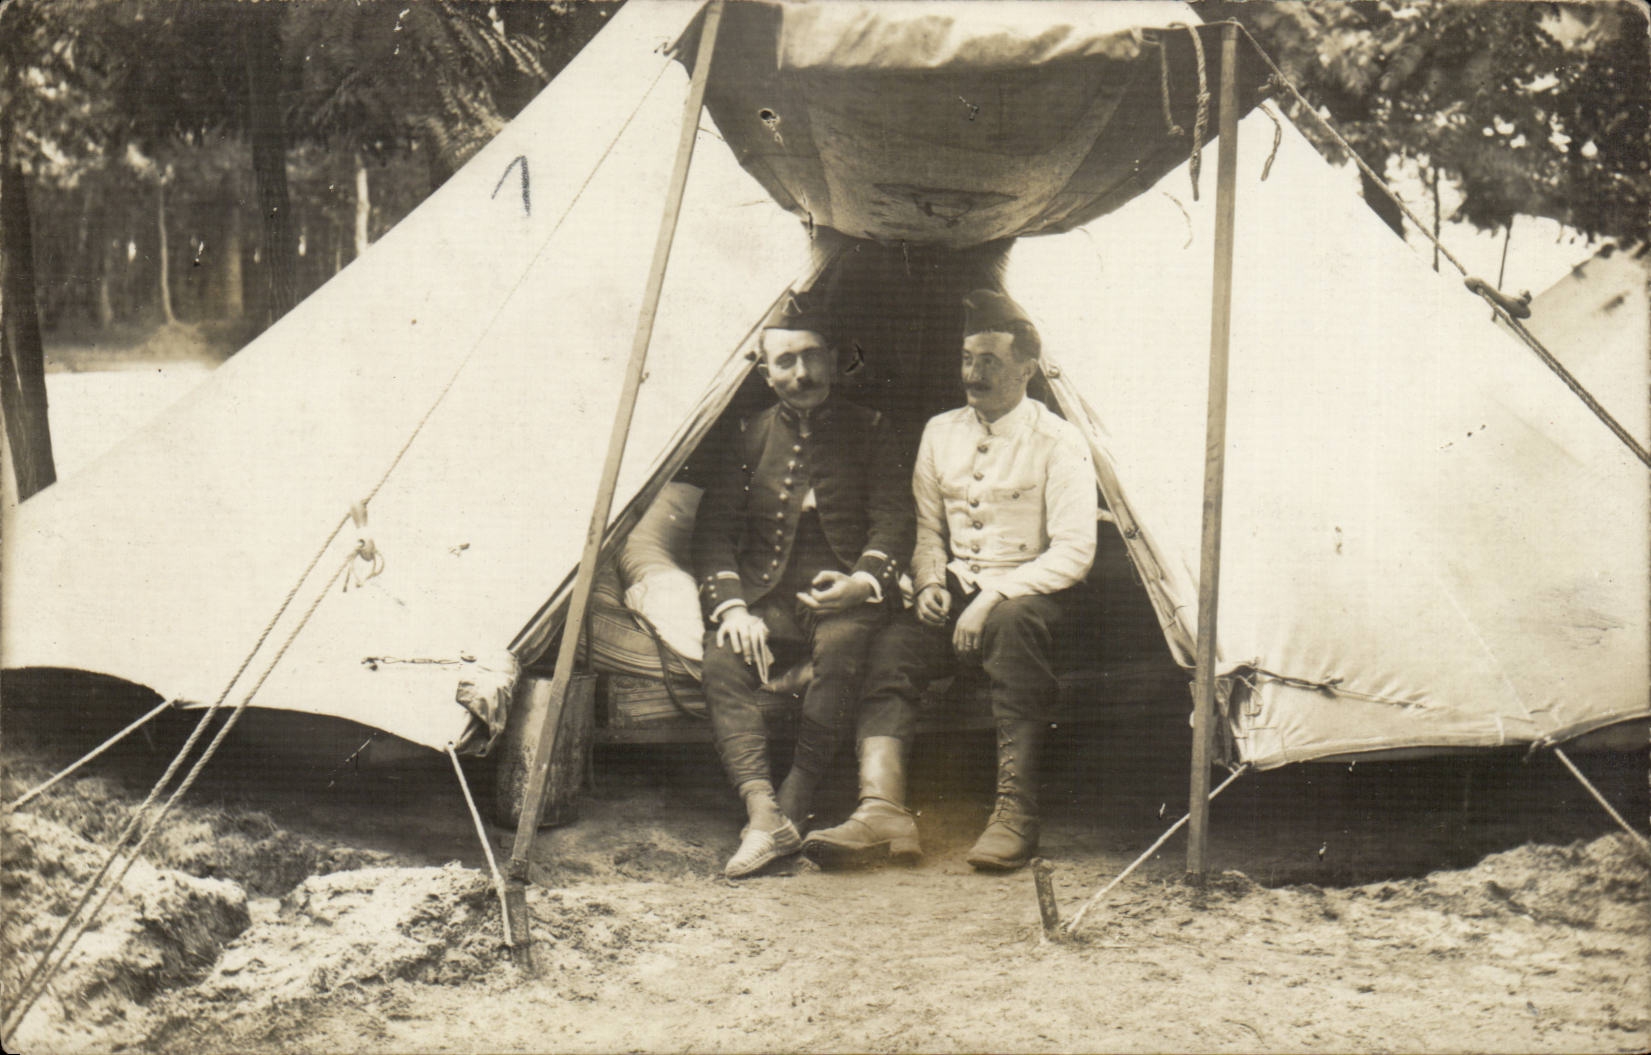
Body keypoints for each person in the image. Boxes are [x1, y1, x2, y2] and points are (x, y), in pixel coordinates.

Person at [803, 289, 1097, 873]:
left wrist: (990, 598)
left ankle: (1016, 812)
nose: (973, 373)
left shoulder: (1058, 440)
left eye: (989, 360)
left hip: (1032, 595)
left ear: (1027, 369)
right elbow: (927, 528)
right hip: (959, 590)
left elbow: (1075, 552)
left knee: (1012, 631)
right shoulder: (941, 431)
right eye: (967, 359)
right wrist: (932, 581)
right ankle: (881, 808)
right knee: (891, 647)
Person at [693, 291, 913, 879]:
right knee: (722, 661)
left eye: (813, 356)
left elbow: (895, 518)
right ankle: (761, 812)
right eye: (785, 362)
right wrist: (733, 608)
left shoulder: (871, 429)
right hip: (766, 597)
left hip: (841, 595)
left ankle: (794, 800)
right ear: (765, 373)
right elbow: (713, 532)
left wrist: (864, 581)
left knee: (843, 649)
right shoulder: (746, 434)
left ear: (838, 360)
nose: (802, 374)